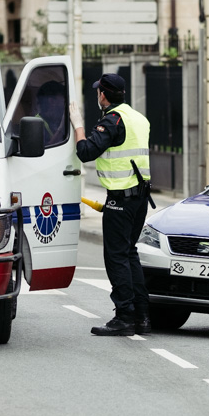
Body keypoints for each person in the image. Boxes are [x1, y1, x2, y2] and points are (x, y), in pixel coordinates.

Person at [69, 73, 153, 336]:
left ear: (102, 95)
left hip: (121, 198)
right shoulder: (139, 118)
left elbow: (85, 152)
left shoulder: (113, 120)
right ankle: (142, 317)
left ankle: (124, 317)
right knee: (130, 254)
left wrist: (78, 126)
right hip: (140, 198)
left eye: (98, 92)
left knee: (116, 257)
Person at [34, 80, 69, 146]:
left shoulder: (57, 119)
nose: (65, 102)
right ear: (52, 101)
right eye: (63, 98)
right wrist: (61, 128)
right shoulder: (37, 124)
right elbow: (47, 148)